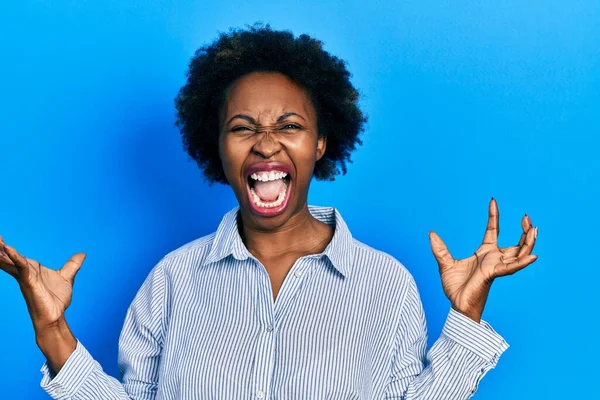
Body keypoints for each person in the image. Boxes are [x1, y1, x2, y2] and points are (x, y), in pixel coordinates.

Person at [0, 24, 538, 399]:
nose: (265, 144)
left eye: (289, 125)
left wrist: (465, 317)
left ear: (321, 143)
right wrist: (54, 333)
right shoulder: (171, 281)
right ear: (219, 147)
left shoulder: (385, 284)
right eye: (242, 128)